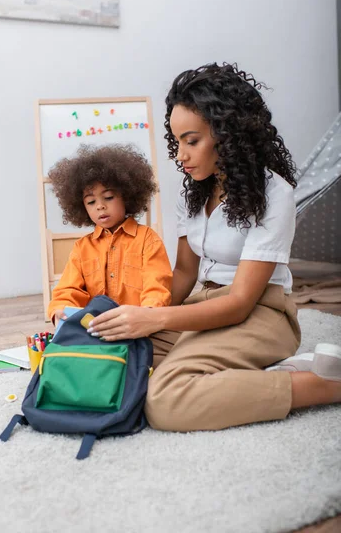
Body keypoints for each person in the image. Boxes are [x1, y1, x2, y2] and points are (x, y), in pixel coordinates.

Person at [84, 63, 341, 432]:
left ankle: (321, 385)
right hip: (202, 304)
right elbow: (186, 273)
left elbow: (238, 303)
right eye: (178, 143)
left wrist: (155, 320)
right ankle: (249, 371)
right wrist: (142, 313)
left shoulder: (274, 195)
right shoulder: (193, 195)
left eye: (192, 141)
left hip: (260, 313)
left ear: (229, 134)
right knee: (111, 358)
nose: (181, 156)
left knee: (166, 400)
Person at [47, 144, 172, 325]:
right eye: (91, 201)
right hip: (95, 331)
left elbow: (157, 285)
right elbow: (68, 289)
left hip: (137, 329)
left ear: (127, 196)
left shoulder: (147, 240)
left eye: (108, 197)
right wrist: (60, 309)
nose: (100, 206)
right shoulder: (82, 248)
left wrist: (148, 314)